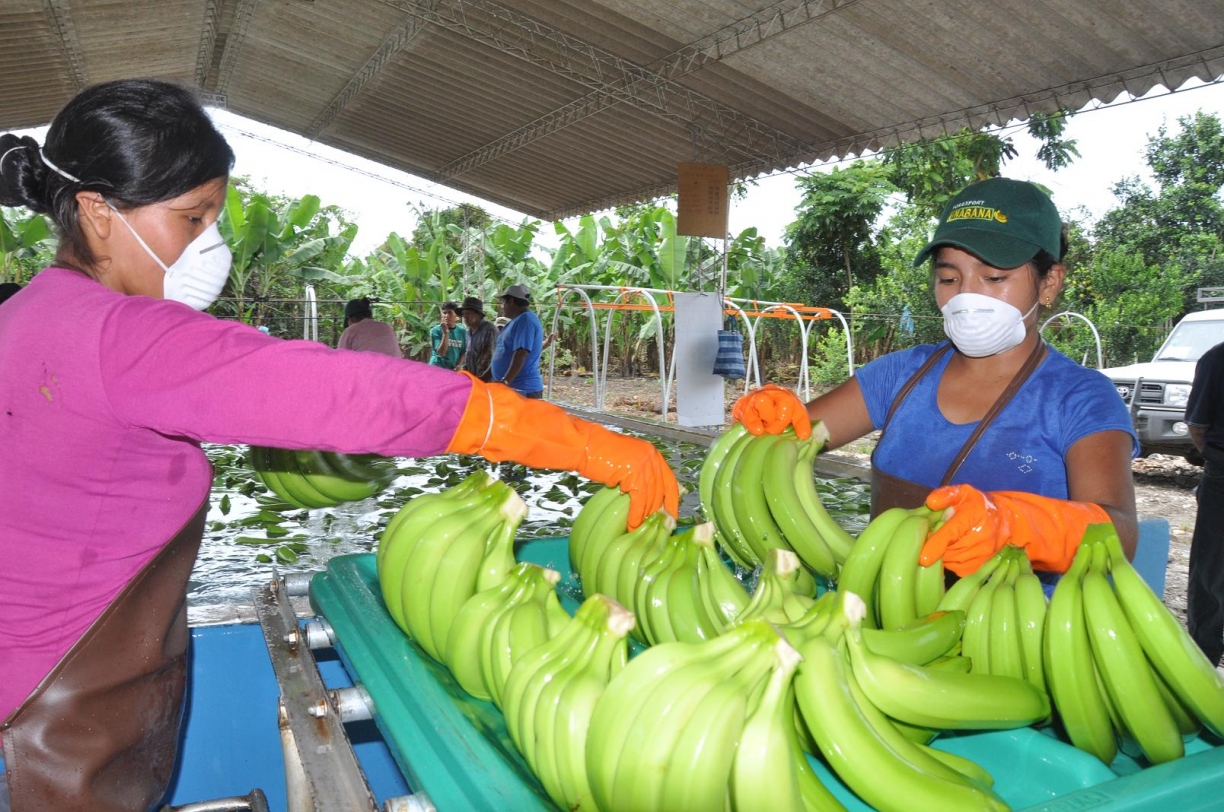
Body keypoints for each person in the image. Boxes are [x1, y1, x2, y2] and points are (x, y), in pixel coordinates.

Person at [0, 79, 677, 812]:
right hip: (56, 713)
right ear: (99, 212)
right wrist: (583, 443)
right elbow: (354, 396)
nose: (209, 245)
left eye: (215, 220)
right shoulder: (125, 336)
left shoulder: (30, 312)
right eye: (192, 218)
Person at [733, 177, 1138, 581]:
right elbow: (793, 438)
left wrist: (1016, 525)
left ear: (1049, 283)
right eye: (949, 279)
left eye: (994, 278)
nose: (967, 296)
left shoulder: (1081, 398)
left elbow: (1120, 534)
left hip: (1024, 616)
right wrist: (774, 418)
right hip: (886, 605)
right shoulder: (900, 377)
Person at [1186, 339, 1224, 666]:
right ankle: (1203, 660)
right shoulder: (1217, 358)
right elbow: (1197, 426)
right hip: (1222, 472)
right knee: (1211, 572)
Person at [491, 284, 545, 397]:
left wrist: (505, 381)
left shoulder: (526, 320)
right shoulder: (515, 321)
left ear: (511, 301)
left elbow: (521, 353)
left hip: (523, 389)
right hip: (512, 388)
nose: (502, 307)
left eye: (503, 302)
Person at [457, 295, 497, 382]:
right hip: (474, 380)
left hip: (486, 380)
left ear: (478, 314)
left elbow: (491, 359)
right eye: (464, 314)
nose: (465, 317)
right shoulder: (468, 333)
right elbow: (468, 358)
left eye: (468, 314)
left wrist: (481, 379)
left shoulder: (489, 329)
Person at [429, 300, 466, 369]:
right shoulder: (436, 330)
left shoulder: (462, 332)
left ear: (456, 315)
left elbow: (464, 351)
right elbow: (441, 353)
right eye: (444, 313)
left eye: (450, 312)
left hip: (452, 369)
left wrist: (459, 365)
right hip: (437, 367)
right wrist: (445, 333)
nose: (446, 316)